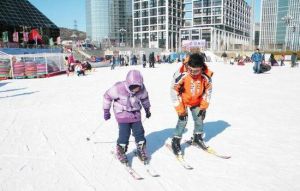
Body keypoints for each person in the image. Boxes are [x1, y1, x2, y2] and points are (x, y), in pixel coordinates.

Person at [103, 70, 151, 163]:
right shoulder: (119, 88)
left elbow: (145, 99)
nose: (136, 89)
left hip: (135, 114)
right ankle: (121, 151)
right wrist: (106, 111)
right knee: (124, 134)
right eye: (133, 87)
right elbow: (107, 97)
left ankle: (141, 149)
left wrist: (147, 109)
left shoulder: (142, 89)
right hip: (122, 114)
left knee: (139, 132)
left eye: (138, 87)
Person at [170, 53, 213, 156]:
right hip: (183, 100)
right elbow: (173, 91)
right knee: (182, 120)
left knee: (199, 118)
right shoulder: (182, 74)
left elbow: (208, 91)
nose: (193, 73)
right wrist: (180, 110)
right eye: (191, 70)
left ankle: (197, 137)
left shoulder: (205, 76)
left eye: (196, 71)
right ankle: (175, 140)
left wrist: (203, 107)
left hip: (196, 100)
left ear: (201, 68)